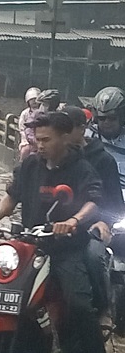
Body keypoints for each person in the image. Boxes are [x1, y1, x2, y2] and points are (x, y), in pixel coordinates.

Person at [0, 112, 105, 353]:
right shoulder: (30, 164)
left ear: (65, 137)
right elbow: (13, 196)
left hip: (65, 250)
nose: (40, 145)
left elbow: (93, 202)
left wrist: (73, 220)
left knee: (79, 305)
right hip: (29, 246)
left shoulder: (81, 168)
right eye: (38, 139)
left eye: (46, 140)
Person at [63, 105, 124, 324]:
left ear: (82, 129)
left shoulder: (101, 161)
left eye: (65, 129)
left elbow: (112, 204)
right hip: (54, 229)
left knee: (92, 255)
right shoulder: (48, 159)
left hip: (89, 229)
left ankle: (101, 311)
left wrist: (100, 221)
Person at [89, 87, 125, 194]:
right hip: (98, 195)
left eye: (112, 118)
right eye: (102, 118)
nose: (106, 122)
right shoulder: (87, 139)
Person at [18, 87, 42, 161]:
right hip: (27, 140)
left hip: (40, 138)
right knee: (25, 151)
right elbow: (22, 128)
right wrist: (27, 139)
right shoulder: (25, 113)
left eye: (35, 99)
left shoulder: (42, 112)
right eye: (31, 100)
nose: (34, 101)